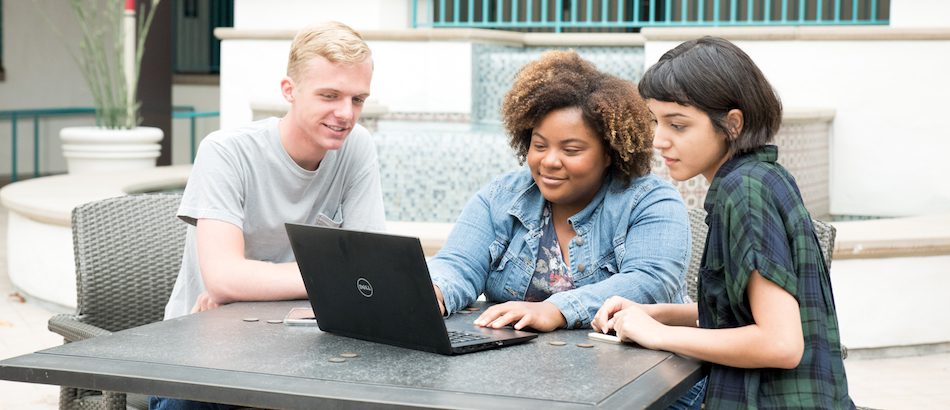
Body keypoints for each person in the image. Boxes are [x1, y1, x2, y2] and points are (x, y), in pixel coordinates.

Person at [592, 36, 855, 409]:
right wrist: (657, 314)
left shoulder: (744, 191)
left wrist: (657, 335)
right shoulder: (762, 177)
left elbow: (780, 344)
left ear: (732, 124)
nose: (658, 140)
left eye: (678, 125)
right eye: (656, 121)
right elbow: (743, 312)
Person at [150, 21, 385, 409]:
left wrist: (250, 284)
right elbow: (224, 279)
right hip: (200, 359)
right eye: (330, 95)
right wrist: (337, 280)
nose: (346, 113)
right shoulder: (226, 152)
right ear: (288, 91)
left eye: (358, 99)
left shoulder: (356, 148)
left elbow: (372, 269)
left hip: (298, 352)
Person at [429, 50, 691, 333]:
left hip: (635, 367)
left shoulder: (651, 202)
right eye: (540, 146)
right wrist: (435, 292)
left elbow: (650, 282)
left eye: (571, 150)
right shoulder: (501, 197)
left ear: (609, 154)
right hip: (518, 367)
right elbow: (458, 264)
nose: (550, 161)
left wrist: (556, 310)